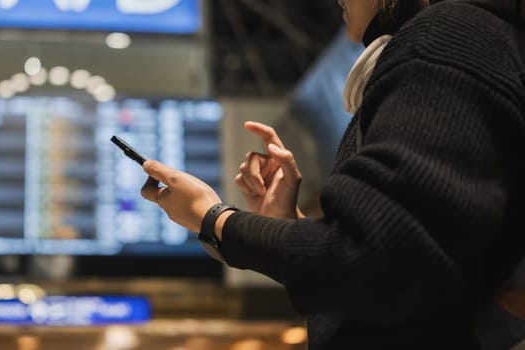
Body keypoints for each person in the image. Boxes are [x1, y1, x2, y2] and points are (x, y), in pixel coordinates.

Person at [140, 0, 525, 348]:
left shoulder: (448, 36)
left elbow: (373, 263)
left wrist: (215, 219)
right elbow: (405, 262)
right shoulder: (458, 41)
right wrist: (288, 224)